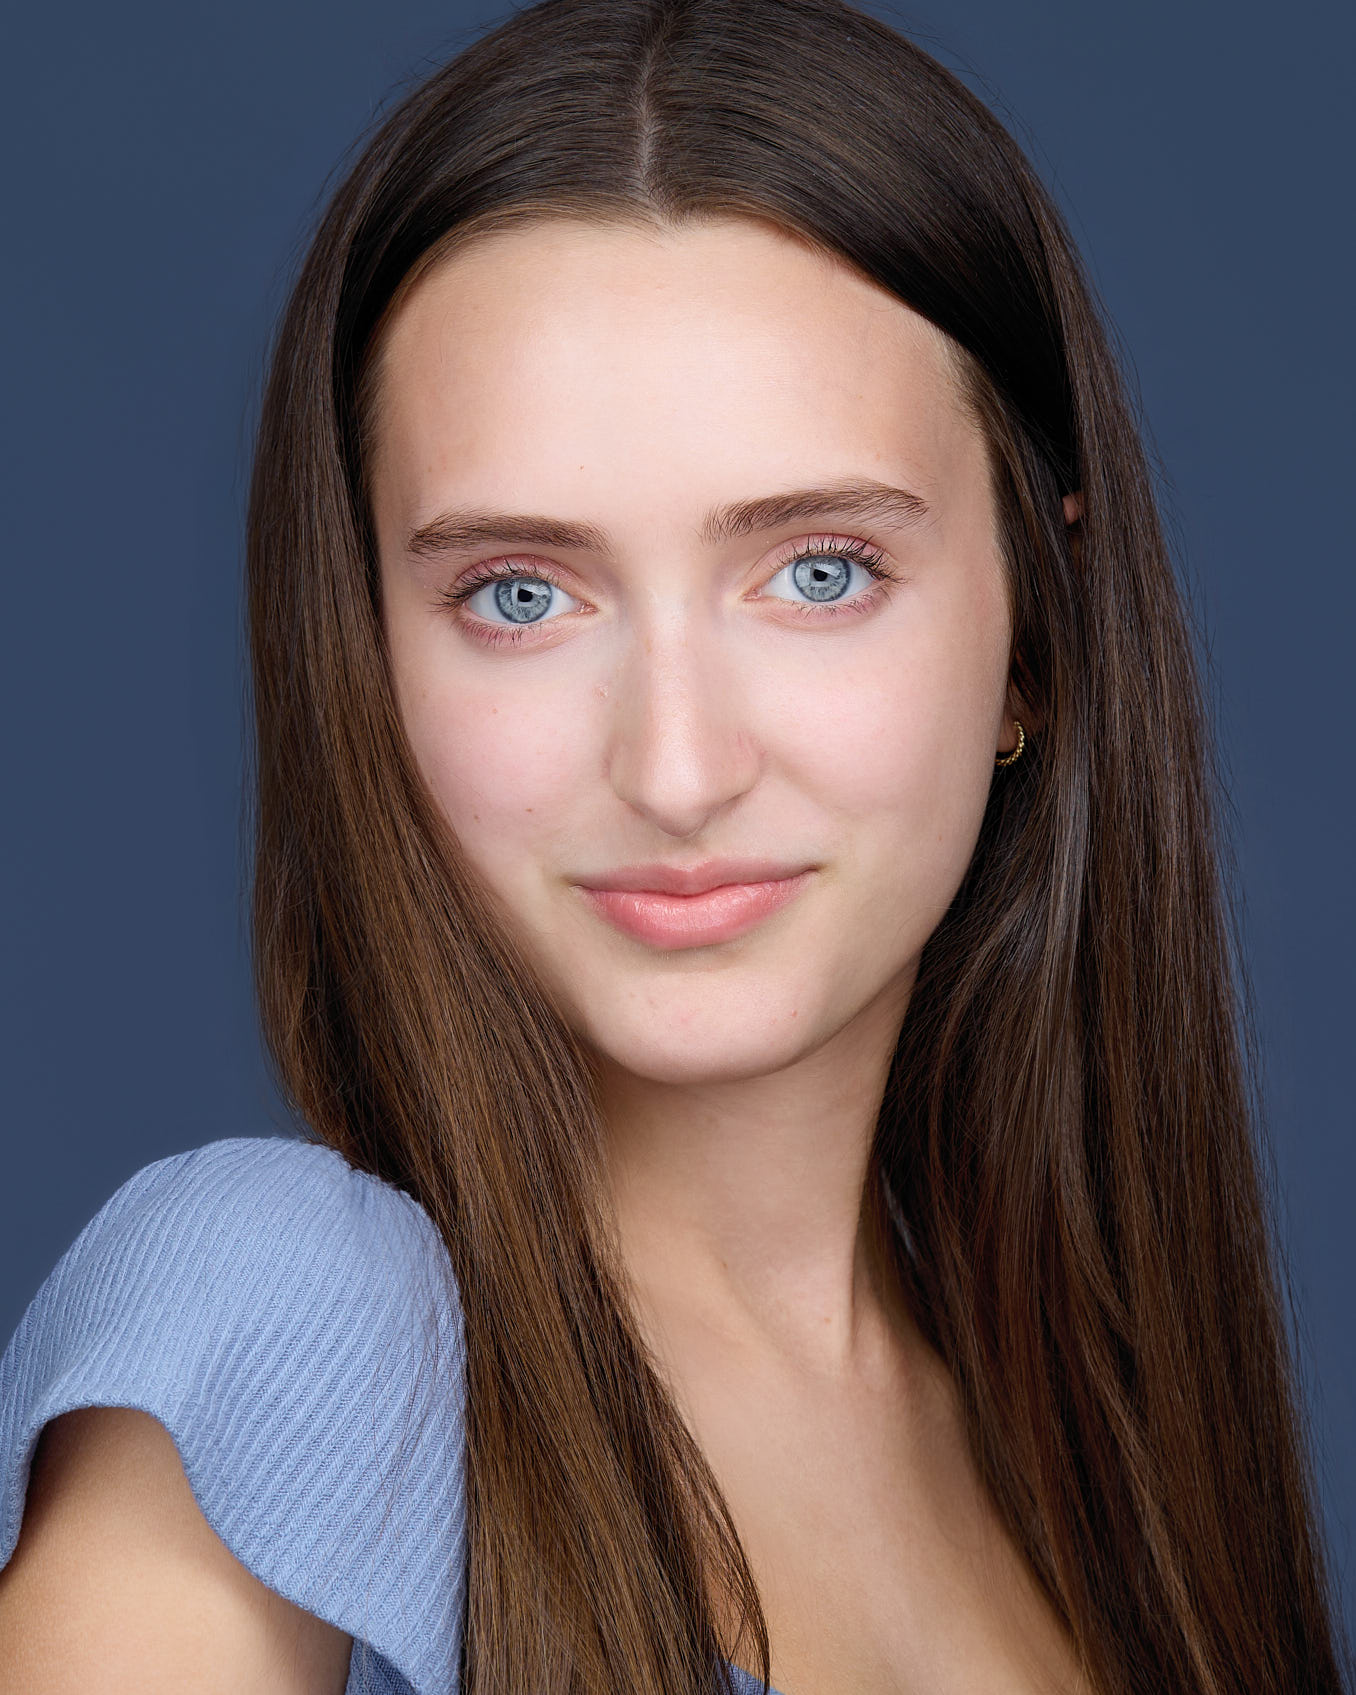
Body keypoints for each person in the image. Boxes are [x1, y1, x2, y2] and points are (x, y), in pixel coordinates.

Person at [0, 0, 1347, 1690]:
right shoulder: (286, 1324)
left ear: (1038, 630)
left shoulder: (1112, 1438)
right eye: (518, 595)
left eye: (820, 571)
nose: (680, 763)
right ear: (362, 656)